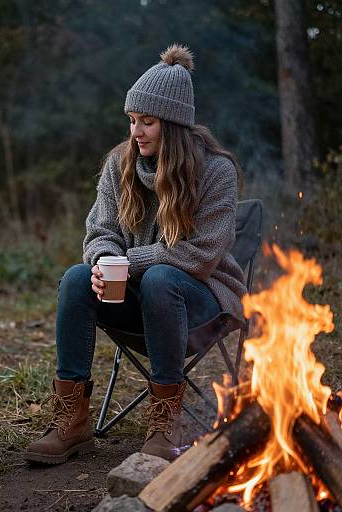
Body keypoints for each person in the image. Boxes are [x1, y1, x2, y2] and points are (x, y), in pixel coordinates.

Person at [24, 44, 246, 464]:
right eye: (132, 121)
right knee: (75, 277)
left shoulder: (216, 171)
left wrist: (131, 263)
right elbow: (101, 231)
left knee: (162, 278)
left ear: (175, 125)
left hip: (203, 303)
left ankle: (165, 420)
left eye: (148, 122)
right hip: (137, 299)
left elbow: (201, 254)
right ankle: (71, 419)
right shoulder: (119, 164)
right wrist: (104, 260)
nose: (136, 132)